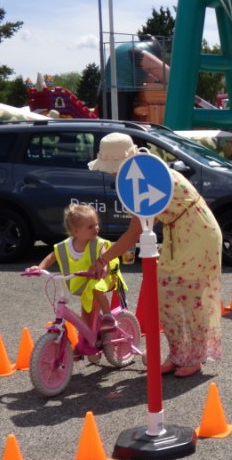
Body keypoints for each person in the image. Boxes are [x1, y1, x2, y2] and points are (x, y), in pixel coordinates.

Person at [89, 132, 223, 378]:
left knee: (189, 297)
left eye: (111, 169)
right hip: (181, 232)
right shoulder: (144, 172)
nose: (110, 174)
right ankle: (178, 354)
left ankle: (193, 357)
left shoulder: (144, 176)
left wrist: (103, 259)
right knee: (166, 296)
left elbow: (134, 232)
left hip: (196, 234)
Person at [28, 203, 123, 361]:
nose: (96, 228)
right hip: (85, 282)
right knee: (85, 315)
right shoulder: (65, 246)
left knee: (96, 290)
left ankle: (108, 317)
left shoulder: (98, 243)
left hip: (103, 278)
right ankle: (86, 342)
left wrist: (104, 267)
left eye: (96, 224)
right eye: (90, 226)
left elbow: (104, 257)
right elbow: (52, 256)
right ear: (75, 231)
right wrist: (39, 267)